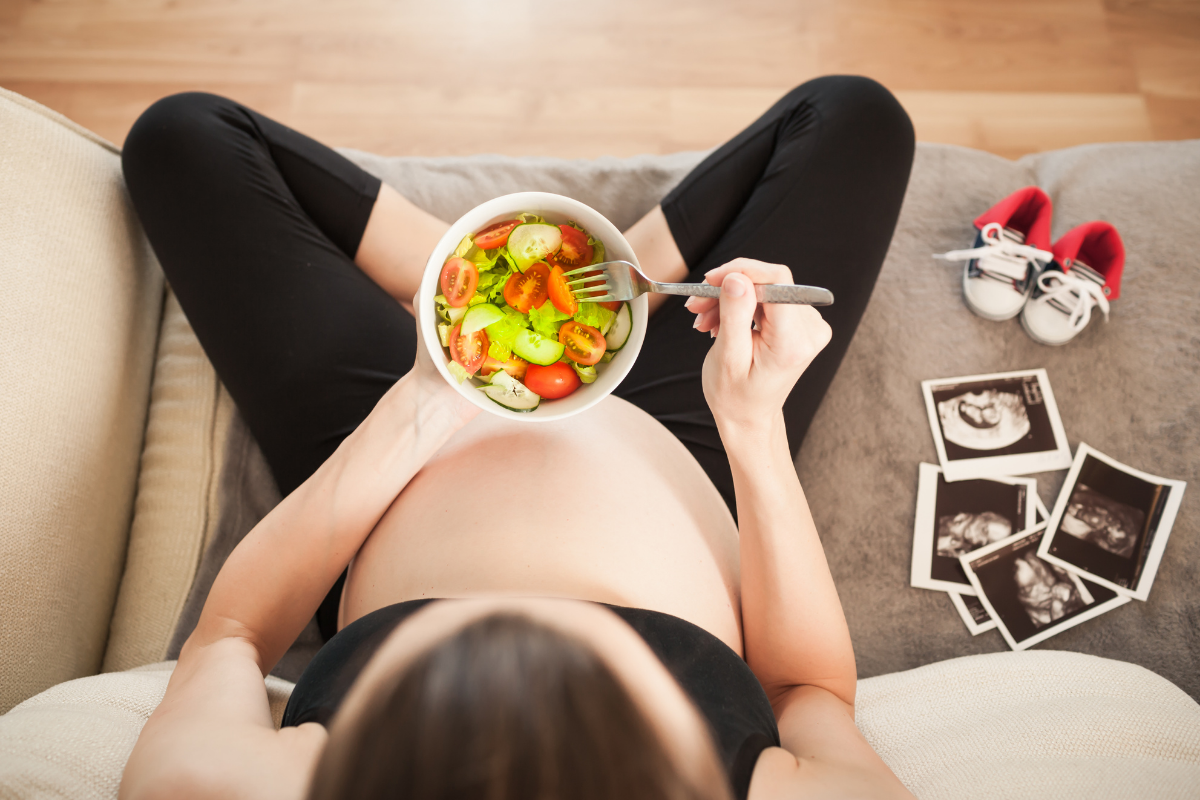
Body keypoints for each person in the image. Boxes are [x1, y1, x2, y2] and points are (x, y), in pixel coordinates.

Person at [117, 75, 916, 800]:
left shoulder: (225, 787)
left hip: (401, 451)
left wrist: (425, 404)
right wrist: (752, 425)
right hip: (693, 435)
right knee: (855, 119)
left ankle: (485, 282)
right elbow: (806, 695)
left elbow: (231, 638)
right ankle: (609, 285)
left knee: (183, 138)